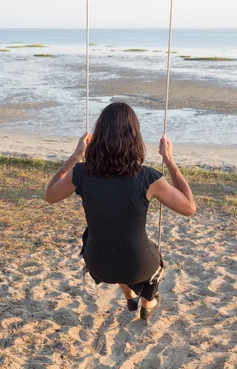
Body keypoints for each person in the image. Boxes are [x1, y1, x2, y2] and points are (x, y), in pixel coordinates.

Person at [43, 102, 196, 320]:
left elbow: (49, 195)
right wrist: (169, 161)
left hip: (98, 264)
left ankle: (131, 296)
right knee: (146, 258)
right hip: (138, 265)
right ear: (135, 137)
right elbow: (189, 207)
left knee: (114, 244)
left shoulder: (81, 173)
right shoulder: (148, 178)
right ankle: (147, 301)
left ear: (98, 136)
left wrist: (76, 156)